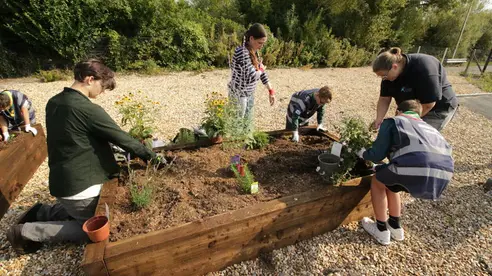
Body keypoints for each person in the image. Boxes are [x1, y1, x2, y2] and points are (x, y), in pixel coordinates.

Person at [6, 59, 158, 254]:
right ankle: (27, 232)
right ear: (89, 79)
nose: (101, 93)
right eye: (101, 87)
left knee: (82, 212)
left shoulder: (54, 102)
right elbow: (122, 139)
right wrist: (153, 158)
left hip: (63, 182)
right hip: (80, 187)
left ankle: (42, 212)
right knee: (97, 230)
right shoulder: (87, 109)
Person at [356, 100, 454, 245]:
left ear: (398, 111)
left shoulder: (395, 121)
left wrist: (363, 153)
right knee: (391, 180)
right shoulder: (428, 127)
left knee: (378, 181)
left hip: (418, 168)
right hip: (443, 175)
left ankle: (381, 229)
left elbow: (376, 155)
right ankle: (395, 226)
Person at [372, 47, 458, 132]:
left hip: (436, 109)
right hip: (411, 108)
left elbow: (429, 104)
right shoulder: (388, 77)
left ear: (394, 67)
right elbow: (384, 99)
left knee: (419, 138)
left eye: (384, 76)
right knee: (401, 134)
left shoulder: (423, 67)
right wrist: (379, 119)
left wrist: (404, 122)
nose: (383, 79)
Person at [228, 23, 276, 121]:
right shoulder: (242, 52)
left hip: (248, 94)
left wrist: (271, 90)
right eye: (259, 43)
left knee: (246, 124)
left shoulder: (254, 52)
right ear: (251, 39)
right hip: (239, 96)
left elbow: (260, 73)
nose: (262, 46)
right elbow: (251, 76)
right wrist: (262, 69)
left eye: (263, 43)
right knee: (237, 123)